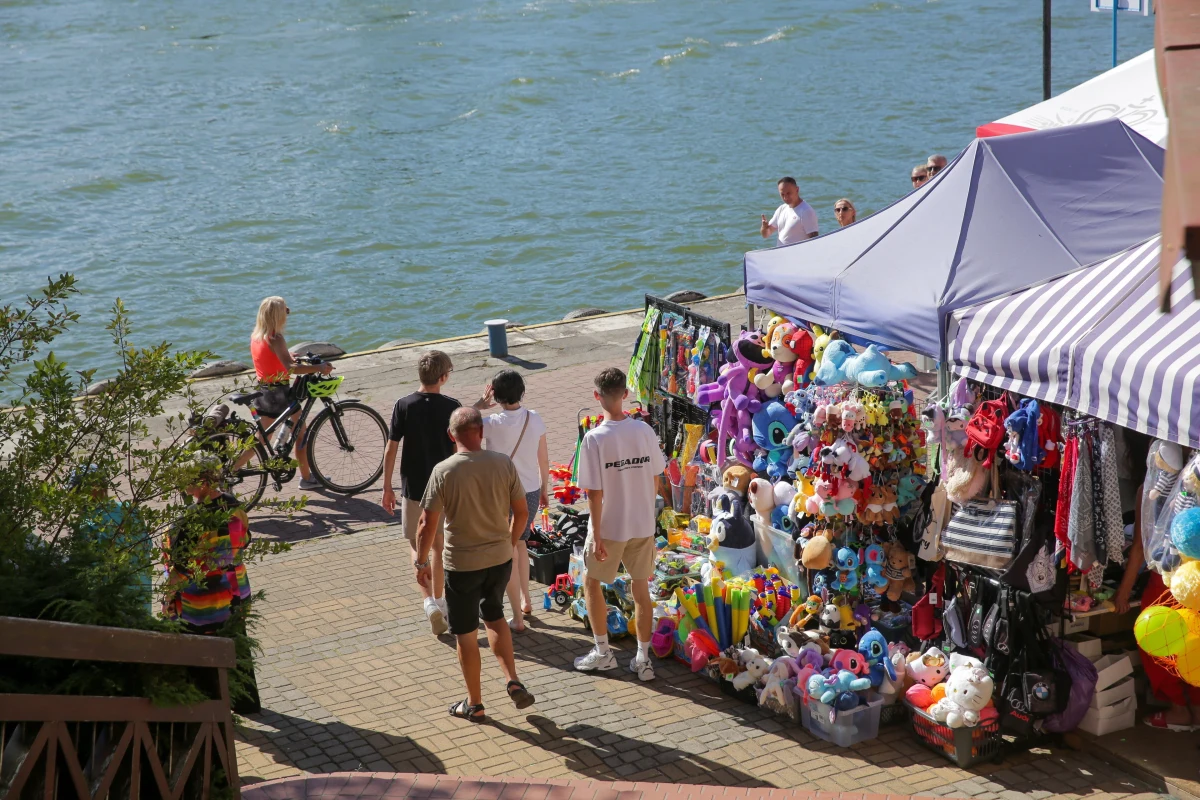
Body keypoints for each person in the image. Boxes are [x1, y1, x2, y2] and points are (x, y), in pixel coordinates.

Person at [414, 407, 535, 722]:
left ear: (451, 435)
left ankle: (475, 704)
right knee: (495, 618)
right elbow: (521, 513)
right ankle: (512, 679)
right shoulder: (502, 463)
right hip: (499, 561)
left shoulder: (444, 470)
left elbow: (427, 523)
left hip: (462, 565)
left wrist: (421, 560)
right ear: (481, 432)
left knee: (466, 634)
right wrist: (508, 544)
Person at [382, 351, 490, 636]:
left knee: (416, 545)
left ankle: (428, 601)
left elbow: (391, 448)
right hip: (445, 488)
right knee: (439, 547)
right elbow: (459, 443)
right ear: (443, 377)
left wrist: (386, 488)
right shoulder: (451, 407)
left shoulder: (403, 405)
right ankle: (442, 603)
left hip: (413, 488)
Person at [573, 367, 667, 680]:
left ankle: (603, 653)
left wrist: (597, 535)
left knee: (592, 583)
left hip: (610, 526)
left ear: (596, 396)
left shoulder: (594, 439)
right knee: (641, 590)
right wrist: (647, 513)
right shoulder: (644, 431)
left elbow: (594, 493)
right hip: (642, 524)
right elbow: (656, 478)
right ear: (626, 394)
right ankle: (643, 659)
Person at [163, 453, 260, 714]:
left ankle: (207, 709)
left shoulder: (189, 519)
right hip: (237, 589)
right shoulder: (236, 506)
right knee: (236, 645)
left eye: (187, 478)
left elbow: (180, 567)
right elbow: (246, 540)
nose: (182, 484)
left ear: (203, 481)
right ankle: (246, 704)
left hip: (204, 600)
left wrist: (167, 600)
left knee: (201, 654)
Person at [479, 369, 549, 633]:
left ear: (495, 395)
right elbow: (544, 458)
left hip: (500, 493)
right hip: (530, 491)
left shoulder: (491, 422)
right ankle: (526, 600)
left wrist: (480, 404)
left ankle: (517, 617)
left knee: (508, 550)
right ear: (522, 392)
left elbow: (457, 425)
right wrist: (545, 488)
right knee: (520, 544)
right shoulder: (535, 418)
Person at [246, 296, 333, 490]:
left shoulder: (257, 336)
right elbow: (290, 369)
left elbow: (273, 360)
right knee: (301, 434)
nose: (287, 314)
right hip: (279, 394)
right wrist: (318, 367)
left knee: (260, 440)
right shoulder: (276, 338)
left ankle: (229, 471)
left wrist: (288, 356)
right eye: (285, 310)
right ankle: (307, 478)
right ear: (277, 315)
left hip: (264, 393)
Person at [760, 177, 819, 246]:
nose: (785, 197)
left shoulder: (806, 211)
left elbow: (815, 242)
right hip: (781, 255)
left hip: (797, 256)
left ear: (797, 190)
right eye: (782, 194)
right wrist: (764, 227)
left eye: (788, 193)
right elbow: (766, 235)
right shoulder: (781, 209)